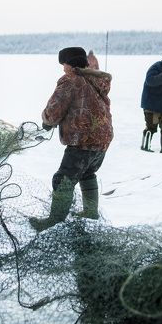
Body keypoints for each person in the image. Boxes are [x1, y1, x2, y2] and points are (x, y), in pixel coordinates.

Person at [29, 47, 113, 231]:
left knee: (63, 179)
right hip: (102, 139)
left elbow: (55, 108)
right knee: (87, 173)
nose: (63, 68)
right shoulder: (97, 78)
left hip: (82, 139)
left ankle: (55, 221)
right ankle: (90, 212)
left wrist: (47, 121)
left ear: (70, 64)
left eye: (64, 64)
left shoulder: (70, 80)